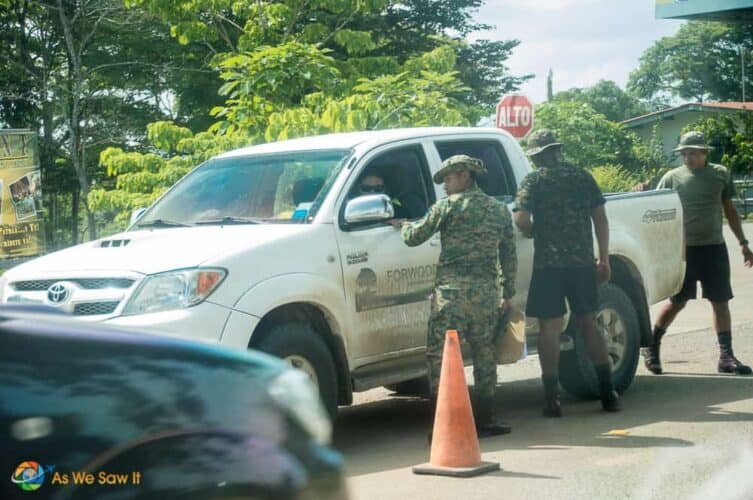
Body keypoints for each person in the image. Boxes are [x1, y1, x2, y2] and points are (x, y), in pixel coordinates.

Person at [389, 154, 517, 437]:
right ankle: (486, 418)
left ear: (464, 175)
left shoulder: (447, 207)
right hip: (485, 294)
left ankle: (443, 423)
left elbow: (414, 238)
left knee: (441, 357)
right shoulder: (499, 210)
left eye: (448, 179)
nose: (444, 185)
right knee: (485, 355)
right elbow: (508, 254)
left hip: (451, 296)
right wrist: (508, 292)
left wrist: (404, 225)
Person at [513, 129, 620, 417]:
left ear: (536, 155)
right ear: (558, 150)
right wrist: (604, 258)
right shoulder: (582, 176)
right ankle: (608, 392)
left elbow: (521, 219)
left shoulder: (533, 180)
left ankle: (552, 399)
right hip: (582, 263)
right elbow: (600, 219)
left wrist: (537, 231)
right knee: (589, 323)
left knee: (550, 327)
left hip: (549, 266)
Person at [641, 131, 753, 376]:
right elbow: (654, 204)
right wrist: (641, 190)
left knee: (720, 302)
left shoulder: (720, 174)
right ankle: (652, 346)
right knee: (678, 301)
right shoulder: (672, 178)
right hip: (684, 250)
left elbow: (730, 210)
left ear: (704, 153)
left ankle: (726, 356)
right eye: (684, 153)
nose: (687, 157)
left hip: (713, 247)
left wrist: (743, 243)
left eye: (692, 152)